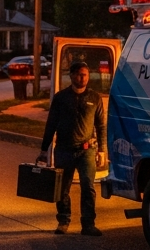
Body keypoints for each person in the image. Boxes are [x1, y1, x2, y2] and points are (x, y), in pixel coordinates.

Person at [37, 60, 105, 236]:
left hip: (87, 150)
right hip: (64, 149)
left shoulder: (95, 98)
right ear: (72, 76)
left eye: (85, 75)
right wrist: (44, 149)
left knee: (88, 187)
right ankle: (63, 221)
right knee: (62, 187)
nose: (83, 78)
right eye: (79, 74)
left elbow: (101, 126)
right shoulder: (61, 98)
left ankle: (88, 224)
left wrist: (102, 151)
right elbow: (51, 124)